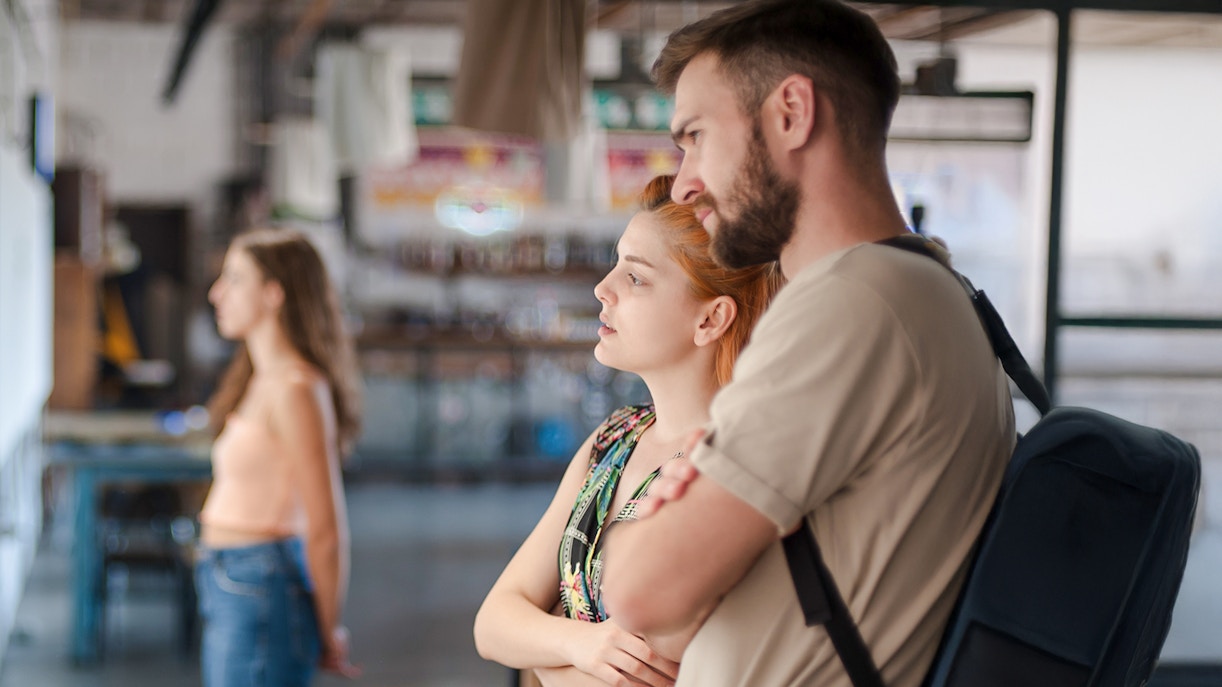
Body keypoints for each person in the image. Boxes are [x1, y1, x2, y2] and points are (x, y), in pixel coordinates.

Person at [599, 2, 1017, 686]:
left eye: (697, 136)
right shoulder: (931, 287)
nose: (685, 182)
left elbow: (642, 591)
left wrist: (643, 525)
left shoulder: (852, 301)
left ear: (791, 111)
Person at [473, 175, 782, 686]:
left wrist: (540, 645)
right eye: (616, 264)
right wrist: (584, 645)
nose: (602, 288)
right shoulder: (615, 437)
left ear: (711, 319)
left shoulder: (734, 466)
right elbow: (493, 623)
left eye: (635, 278)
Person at [197, 228, 362, 686]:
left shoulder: (296, 390)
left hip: (260, 582)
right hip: (229, 576)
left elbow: (326, 531)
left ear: (273, 294)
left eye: (234, 279)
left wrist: (329, 630)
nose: (216, 293)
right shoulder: (260, 379)